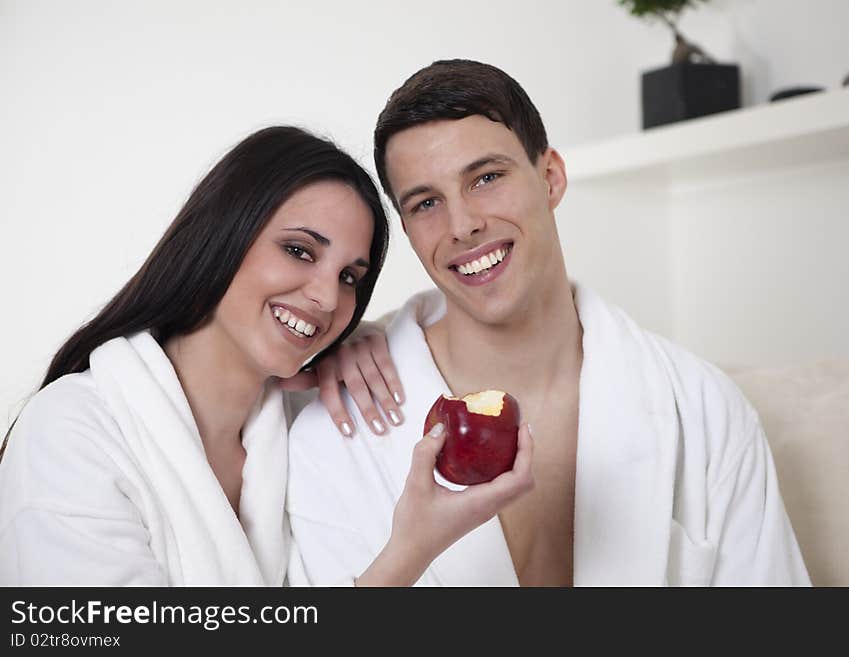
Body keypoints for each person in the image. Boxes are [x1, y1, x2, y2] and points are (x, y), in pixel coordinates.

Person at [286, 60, 812, 586]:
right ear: (407, 229)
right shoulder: (331, 434)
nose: (463, 225)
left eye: (486, 177)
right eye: (427, 203)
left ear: (551, 177)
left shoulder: (703, 410)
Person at [0, 125, 534, 586]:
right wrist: (408, 554)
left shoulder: (298, 435)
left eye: (350, 277)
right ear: (221, 236)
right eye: (299, 251)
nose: (328, 299)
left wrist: (365, 338)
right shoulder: (71, 433)